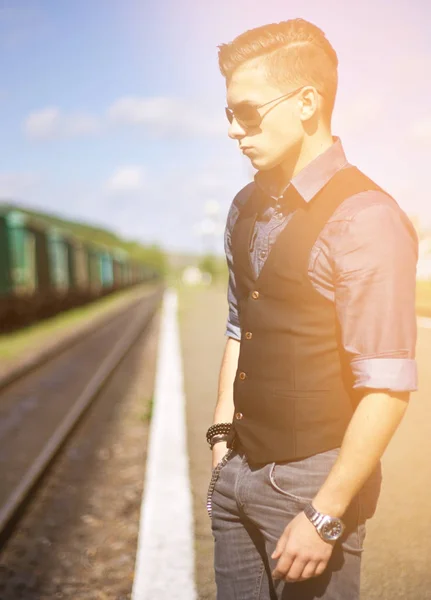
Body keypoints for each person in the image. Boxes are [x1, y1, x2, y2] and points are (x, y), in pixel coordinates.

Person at [206, 18, 418, 600]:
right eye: (228, 114)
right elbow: (238, 325)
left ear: (307, 102)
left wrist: (325, 513)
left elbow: (387, 386)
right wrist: (222, 439)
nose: (233, 131)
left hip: (310, 485)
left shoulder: (367, 219)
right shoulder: (244, 204)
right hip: (237, 470)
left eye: (247, 113)